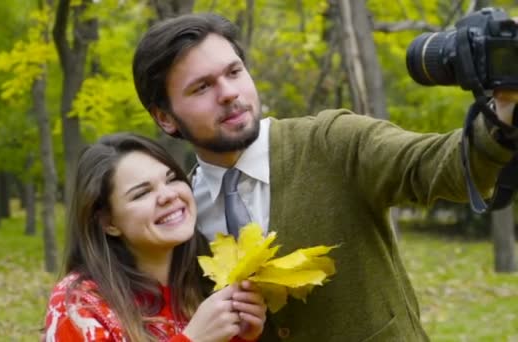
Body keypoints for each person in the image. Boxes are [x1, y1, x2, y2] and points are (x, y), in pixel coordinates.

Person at [131, 13, 518, 341]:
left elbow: (437, 165)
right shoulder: (177, 220)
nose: (229, 93)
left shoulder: (332, 142)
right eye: (202, 87)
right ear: (165, 117)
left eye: (234, 72)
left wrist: (503, 115)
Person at [42, 133, 267, 341]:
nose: (168, 195)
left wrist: (241, 337)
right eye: (142, 193)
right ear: (109, 223)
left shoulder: (212, 283)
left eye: (171, 179)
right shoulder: (79, 303)